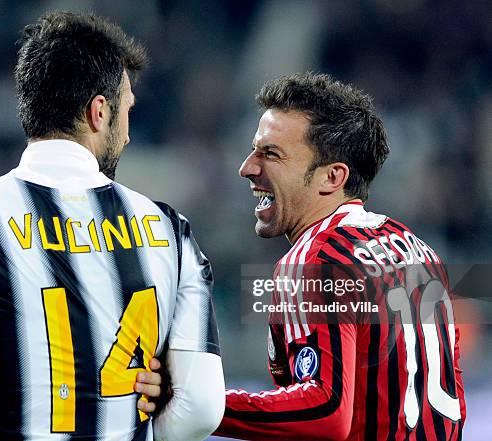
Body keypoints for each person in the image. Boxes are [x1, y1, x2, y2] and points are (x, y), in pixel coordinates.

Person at [0, 11, 224, 441]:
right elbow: (202, 410)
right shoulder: (172, 232)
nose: (129, 134)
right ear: (100, 112)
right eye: (127, 111)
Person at [143, 72, 466, 440]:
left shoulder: (316, 259)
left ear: (332, 178)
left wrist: (200, 401)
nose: (246, 167)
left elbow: (325, 411)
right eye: (254, 149)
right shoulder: (418, 251)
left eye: (271, 154)